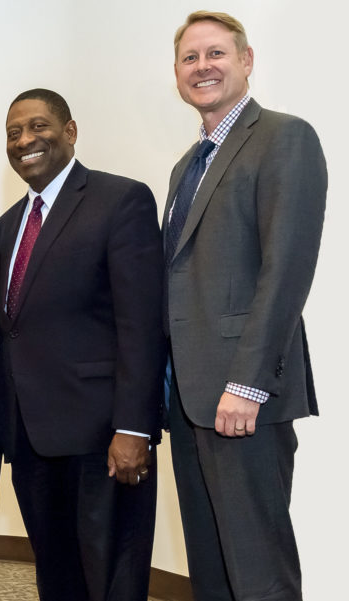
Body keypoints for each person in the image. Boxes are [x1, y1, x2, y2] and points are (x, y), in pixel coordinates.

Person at [166, 12, 326, 601]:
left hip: (242, 398)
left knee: (259, 574)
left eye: (216, 54)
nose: (202, 67)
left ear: (247, 60)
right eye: (189, 58)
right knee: (212, 571)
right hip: (189, 398)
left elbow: (287, 271)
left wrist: (249, 384)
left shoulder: (284, 137)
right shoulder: (189, 164)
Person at [0, 89, 165, 601]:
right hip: (31, 440)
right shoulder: (5, 228)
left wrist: (133, 427)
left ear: (69, 131)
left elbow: (141, 323)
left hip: (102, 437)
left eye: (38, 126)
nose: (25, 140)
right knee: (56, 577)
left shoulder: (121, 200)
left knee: (110, 578)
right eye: (13, 133)